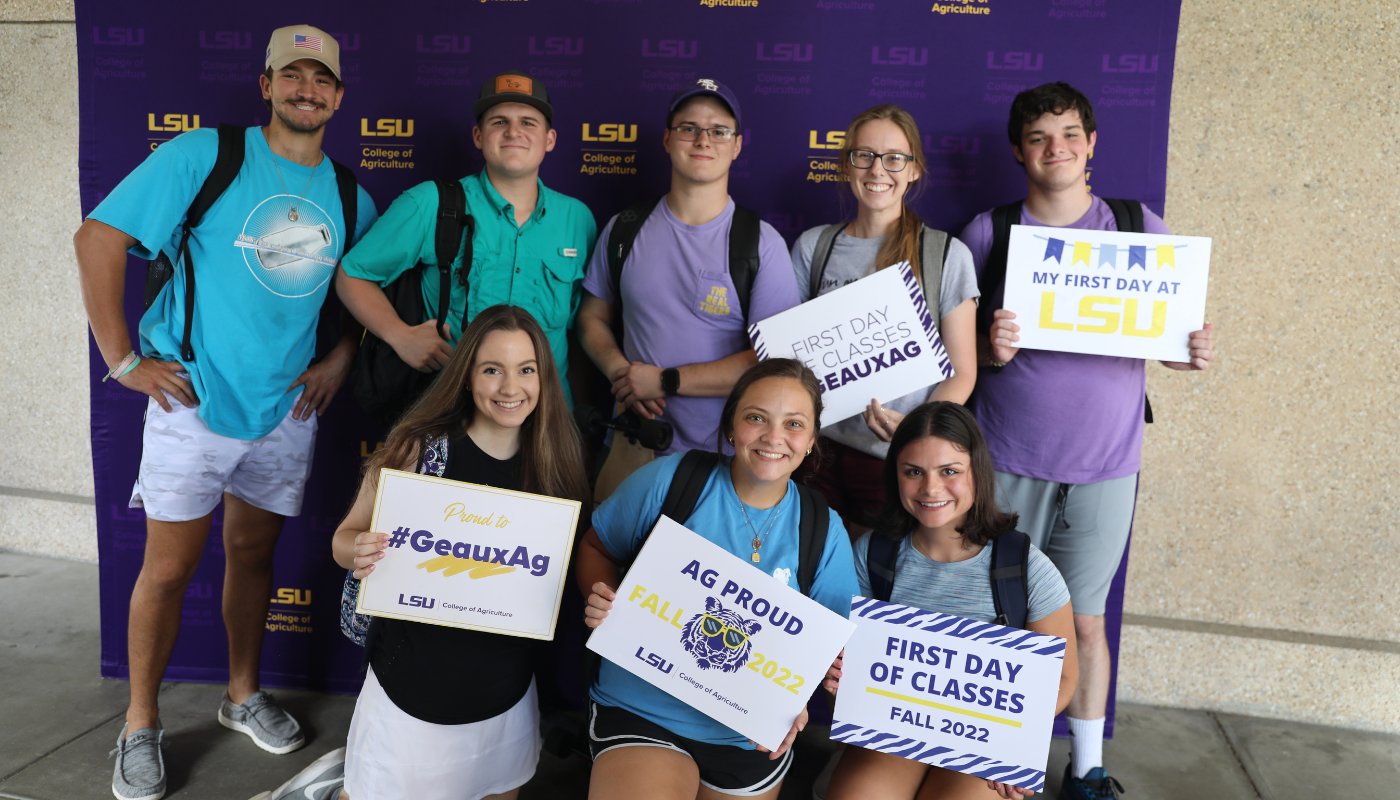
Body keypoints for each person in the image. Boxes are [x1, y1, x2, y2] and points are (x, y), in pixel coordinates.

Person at [74, 25, 377, 800]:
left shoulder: (351, 194)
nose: (308, 90)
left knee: (251, 556)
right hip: (193, 401)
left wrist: (339, 360)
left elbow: (363, 295)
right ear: (267, 84)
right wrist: (123, 361)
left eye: (322, 80)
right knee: (169, 569)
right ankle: (140, 724)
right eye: (293, 76)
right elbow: (98, 238)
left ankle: (242, 695)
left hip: (286, 411)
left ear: (339, 97)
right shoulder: (206, 156)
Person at [958, 82, 1214, 799]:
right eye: (1039, 138)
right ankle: (1001, 760)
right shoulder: (991, 231)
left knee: (1088, 624)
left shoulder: (1139, 225)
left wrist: (1190, 349)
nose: (1056, 149)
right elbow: (957, 353)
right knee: (1005, 620)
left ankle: (1088, 767)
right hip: (1006, 461)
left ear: (1092, 143)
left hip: (1105, 467)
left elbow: (1170, 341)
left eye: (1070, 134)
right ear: (1019, 151)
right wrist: (992, 344)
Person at [330, 305, 590, 800]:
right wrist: (358, 551)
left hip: (503, 685)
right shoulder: (419, 448)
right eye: (492, 370)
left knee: (498, 791)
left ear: (544, 377)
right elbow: (343, 539)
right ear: (467, 375)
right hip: (412, 677)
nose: (510, 388)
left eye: (526, 370)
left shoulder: (556, 461)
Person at [576, 358, 858, 800]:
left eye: (794, 424)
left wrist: (801, 699)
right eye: (756, 418)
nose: (773, 437)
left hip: (749, 736)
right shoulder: (672, 479)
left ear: (810, 442)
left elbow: (834, 648)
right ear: (731, 427)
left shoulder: (823, 528)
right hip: (643, 709)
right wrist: (603, 598)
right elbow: (596, 547)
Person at [823, 401, 1077, 800]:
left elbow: (1064, 678)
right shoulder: (873, 554)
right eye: (913, 472)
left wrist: (1017, 740)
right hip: (896, 726)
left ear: (978, 472)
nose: (930, 489)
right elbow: (844, 650)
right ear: (895, 476)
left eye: (949, 471)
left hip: (984, 737)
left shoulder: (1025, 567)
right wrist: (838, 671)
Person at [577, 78, 800, 495]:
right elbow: (591, 317)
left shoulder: (760, 244)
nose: (703, 139)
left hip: (726, 460)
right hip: (632, 449)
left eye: (718, 130)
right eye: (688, 127)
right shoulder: (625, 228)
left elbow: (775, 364)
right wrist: (621, 373)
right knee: (612, 557)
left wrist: (666, 381)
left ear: (737, 145)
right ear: (667, 139)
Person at [338, 72, 597, 408]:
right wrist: (401, 337)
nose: (513, 132)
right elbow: (351, 274)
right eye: (499, 121)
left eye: (528, 122)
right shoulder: (431, 203)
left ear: (550, 139)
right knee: (412, 465)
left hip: (545, 424)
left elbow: (577, 329)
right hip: (446, 417)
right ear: (478, 136)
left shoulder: (577, 220)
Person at [791, 104, 979, 531]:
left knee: (881, 585)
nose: (879, 169)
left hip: (899, 462)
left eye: (895, 158)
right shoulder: (812, 248)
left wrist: (917, 431)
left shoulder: (945, 255)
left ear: (914, 169)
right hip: (818, 456)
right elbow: (788, 360)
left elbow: (963, 372)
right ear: (847, 164)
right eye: (865, 155)